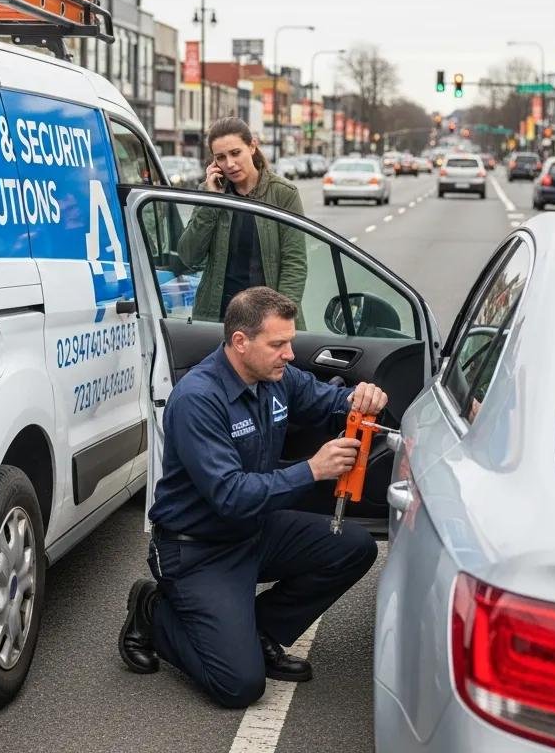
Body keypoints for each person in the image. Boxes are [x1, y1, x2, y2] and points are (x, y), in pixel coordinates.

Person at [117, 286, 383, 709]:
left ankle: (260, 630)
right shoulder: (199, 399)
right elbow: (231, 495)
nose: (289, 354)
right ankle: (153, 611)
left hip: (254, 530)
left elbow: (328, 401)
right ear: (240, 342)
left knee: (354, 547)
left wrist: (362, 397)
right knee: (239, 685)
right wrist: (313, 469)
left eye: (290, 342)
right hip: (198, 550)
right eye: (278, 344)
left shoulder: (274, 378)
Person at [177, 118, 307, 324]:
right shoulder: (209, 191)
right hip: (218, 316)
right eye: (221, 157)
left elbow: (294, 263)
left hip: (269, 317)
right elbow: (189, 256)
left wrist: (281, 317)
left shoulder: (283, 193)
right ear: (214, 163)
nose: (230, 164)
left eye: (235, 153)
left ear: (252, 146)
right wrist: (212, 201)